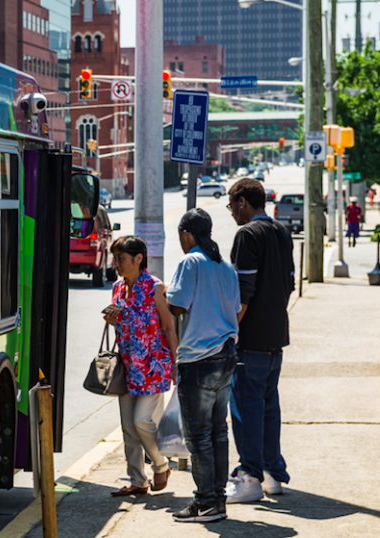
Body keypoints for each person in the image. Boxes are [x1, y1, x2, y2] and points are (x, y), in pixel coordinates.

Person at [166, 208, 241, 523]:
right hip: (226, 356)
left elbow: (177, 305)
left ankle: (206, 502)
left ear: (187, 234)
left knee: (198, 435)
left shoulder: (190, 262)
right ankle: (217, 499)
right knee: (218, 432)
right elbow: (235, 309)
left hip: (199, 359)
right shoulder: (225, 266)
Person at [225, 178, 295, 503]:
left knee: (245, 410)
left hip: (250, 338)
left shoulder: (247, 235)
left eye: (231, 206)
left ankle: (250, 476)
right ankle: (273, 474)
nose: (231, 214)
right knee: (269, 407)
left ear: (242, 202)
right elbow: (290, 283)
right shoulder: (282, 232)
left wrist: (229, 332)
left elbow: (242, 295)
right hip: (276, 335)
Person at [103, 236, 177, 497]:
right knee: (128, 427)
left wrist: (176, 361)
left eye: (121, 259)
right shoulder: (117, 287)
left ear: (138, 259)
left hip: (153, 366)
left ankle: (160, 464)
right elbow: (123, 324)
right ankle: (137, 480)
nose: (117, 264)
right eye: (115, 259)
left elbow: (168, 326)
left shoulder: (155, 288)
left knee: (141, 422)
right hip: (126, 366)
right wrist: (112, 319)